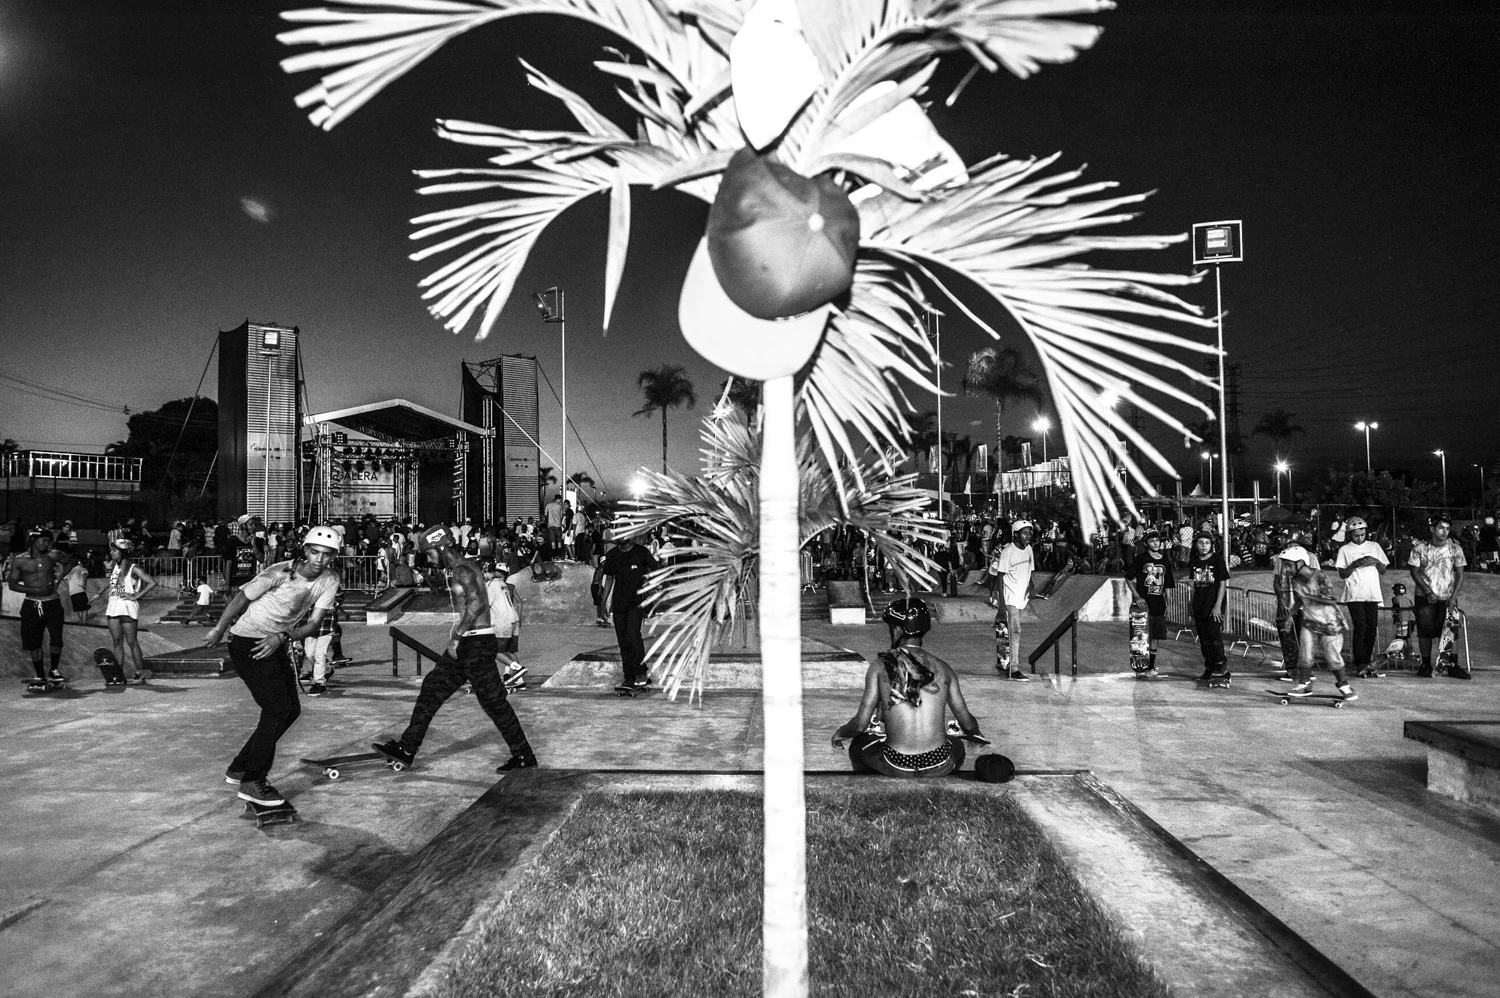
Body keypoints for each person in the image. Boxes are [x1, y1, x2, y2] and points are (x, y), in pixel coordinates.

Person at [373, 526, 537, 772]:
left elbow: (477, 604)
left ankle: (524, 756)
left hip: (476, 644)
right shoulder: (460, 569)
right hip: (470, 645)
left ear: (441, 548)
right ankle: (407, 749)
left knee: (493, 702)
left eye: (429, 554)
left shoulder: (463, 569)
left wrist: (456, 638)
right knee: (432, 689)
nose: (428, 559)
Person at [204, 525, 344, 806]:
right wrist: (219, 629)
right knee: (277, 709)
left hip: (276, 642)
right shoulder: (280, 572)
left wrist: (282, 636)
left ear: (333, 557)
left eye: (327, 555)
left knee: (291, 710)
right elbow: (242, 598)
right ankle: (253, 780)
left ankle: (240, 766)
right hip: (247, 642)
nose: (319, 560)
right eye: (315, 552)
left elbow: (315, 624)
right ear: (305, 550)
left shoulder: (330, 580)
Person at [831, 643, 985, 778]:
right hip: (939, 762)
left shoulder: (879, 666)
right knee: (956, 743)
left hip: (896, 762)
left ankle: (868, 785)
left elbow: (859, 725)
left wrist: (841, 733)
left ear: (896, 630)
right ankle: (945, 780)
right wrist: (975, 733)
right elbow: (969, 725)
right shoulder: (944, 668)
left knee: (858, 744)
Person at [594, 529, 659, 691]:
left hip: (636, 603)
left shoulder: (641, 552)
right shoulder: (613, 555)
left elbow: (656, 570)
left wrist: (649, 584)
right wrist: (603, 603)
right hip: (619, 604)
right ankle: (628, 676)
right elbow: (609, 579)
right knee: (623, 640)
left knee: (633, 634)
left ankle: (641, 672)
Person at [1408, 516, 1468, 679]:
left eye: (1447, 528)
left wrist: (1453, 597)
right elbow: (1414, 571)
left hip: (1447, 596)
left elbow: (1460, 574)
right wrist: (1427, 591)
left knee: (1451, 631)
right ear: (1432, 529)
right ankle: (1425, 664)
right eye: (1441, 528)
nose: (1444, 532)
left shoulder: (1455, 549)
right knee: (1425, 632)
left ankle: (1452, 665)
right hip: (1425, 596)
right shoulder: (1421, 548)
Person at [7, 529, 68, 690]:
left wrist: (59, 578)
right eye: (44, 541)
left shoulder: (54, 555)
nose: (48, 544)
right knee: (34, 642)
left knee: (56, 638)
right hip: (32, 604)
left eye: (49, 541)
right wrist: (34, 590)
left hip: (52, 603)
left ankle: (54, 669)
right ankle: (40, 674)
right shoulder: (20, 560)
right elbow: (12, 584)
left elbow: (69, 562)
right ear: (33, 541)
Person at [1289, 564, 1356, 700]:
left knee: (1332, 656)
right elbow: (1299, 600)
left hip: (1329, 623)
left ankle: (1344, 685)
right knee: (1305, 653)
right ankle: (1304, 683)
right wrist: (1291, 614)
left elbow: (1330, 600)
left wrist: (1306, 595)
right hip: (1309, 621)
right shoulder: (1295, 579)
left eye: (1289, 564)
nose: (1286, 568)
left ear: (1300, 562)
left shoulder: (1320, 576)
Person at [1334, 517, 1388, 679]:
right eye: (1356, 536)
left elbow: (1383, 570)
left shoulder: (1374, 546)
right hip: (1355, 593)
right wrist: (1354, 564)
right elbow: (1342, 573)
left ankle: (1367, 660)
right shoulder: (1345, 550)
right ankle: (1360, 661)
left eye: (1362, 535)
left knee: (1371, 628)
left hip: (1372, 593)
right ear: (1350, 535)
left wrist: (1376, 562)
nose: (1360, 538)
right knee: (1361, 626)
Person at [104, 539, 159, 683]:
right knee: (116, 642)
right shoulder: (114, 566)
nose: (111, 552)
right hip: (113, 606)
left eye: (114, 550)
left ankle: (140, 672)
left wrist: (136, 595)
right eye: (111, 550)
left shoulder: (133, 568)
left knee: (131, 642)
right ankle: (118, 674)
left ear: (123, 552)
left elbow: (152, 582)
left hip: (127, 606)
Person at [1125, 529, 1175, 676]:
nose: (1155, 543)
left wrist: (1169, 604)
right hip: (1143, 605)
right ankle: (1140, 666)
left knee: (1155, 637)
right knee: (1140, 635)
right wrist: (1137, 596)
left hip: (1159, 603)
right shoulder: (1141, 559)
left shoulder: (1165, 561)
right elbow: (1128, 578)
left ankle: (1151, 666)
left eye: (1157, 541)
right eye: (1152, 541)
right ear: (1146, 543)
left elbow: (1167, 585)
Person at [991, 520, 1035, 681]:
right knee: (1015, 631)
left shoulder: (1029, 549)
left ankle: (1004, 662)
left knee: (1006, 629)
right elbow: (1000, 575)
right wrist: (1001, 604)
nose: (1028, 536)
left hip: (1021, 597)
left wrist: (1031, 585)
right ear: (1015, 534)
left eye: (1030, 532)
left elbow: (1029, 570)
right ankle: (1014, 670)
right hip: (1009, 596)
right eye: (1024, 533)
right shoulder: (1008, 551)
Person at [1185, 531, 1230, 681]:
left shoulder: (1217, 560)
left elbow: (1223, 583)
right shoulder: (1194, 561)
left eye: (1207, 543)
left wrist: (1217, 606)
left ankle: (1221, 667)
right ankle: (1209, 668)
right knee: (1203, 639)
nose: (1204, 546)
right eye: (1200, 543)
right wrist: (1191, 602)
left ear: (1212, 545)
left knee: (1214, 636)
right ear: (1196, 545)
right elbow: (1193, 585)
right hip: (1199, 603)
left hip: (1213, 603)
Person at [1274, 528, 1316, 674]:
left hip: (1305, 605)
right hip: (1287, 601)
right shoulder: (1282, 558)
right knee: (1288, 636)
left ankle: (1306, 669)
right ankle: (1292, 667)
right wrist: (1280, 599)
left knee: (1304, 636)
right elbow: (1277, 580)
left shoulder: (1310, 558)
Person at [485, 560, 526, 690]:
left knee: (493, 651)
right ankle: (519, 681)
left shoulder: (490, 584)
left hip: (502, 622)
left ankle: (517, 669)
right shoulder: (503, 584)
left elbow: (486, 605)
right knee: (509, 651)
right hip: (513, 620)